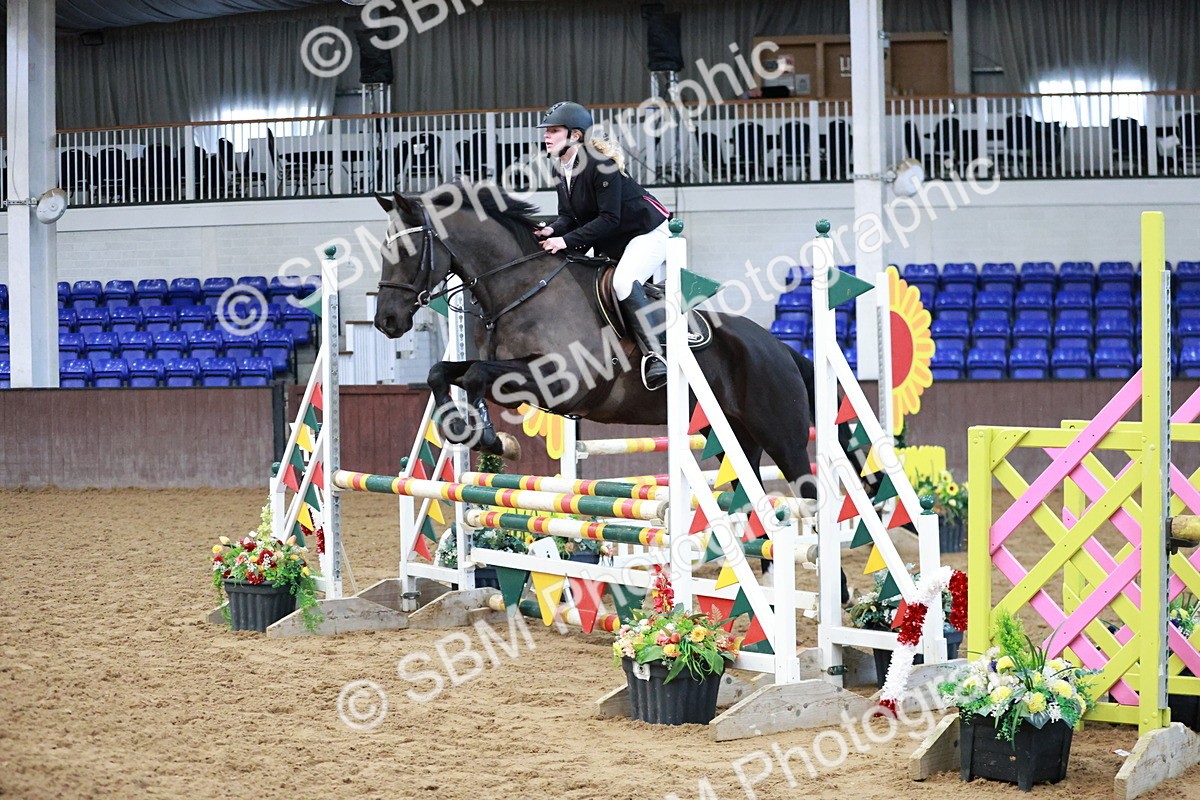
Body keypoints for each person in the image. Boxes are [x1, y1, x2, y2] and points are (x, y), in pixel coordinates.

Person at [533, 101, 672, 390]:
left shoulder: (600, 164)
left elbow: (609, 218)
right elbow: (568, 217)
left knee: (622, 282)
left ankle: (656, 355)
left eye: (554, 130)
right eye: (547, 131)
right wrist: (550, 230)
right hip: (616, 239)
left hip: (647, 233)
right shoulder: (561, 169)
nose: (546, 135)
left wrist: (564, 240)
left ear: (575, 135)